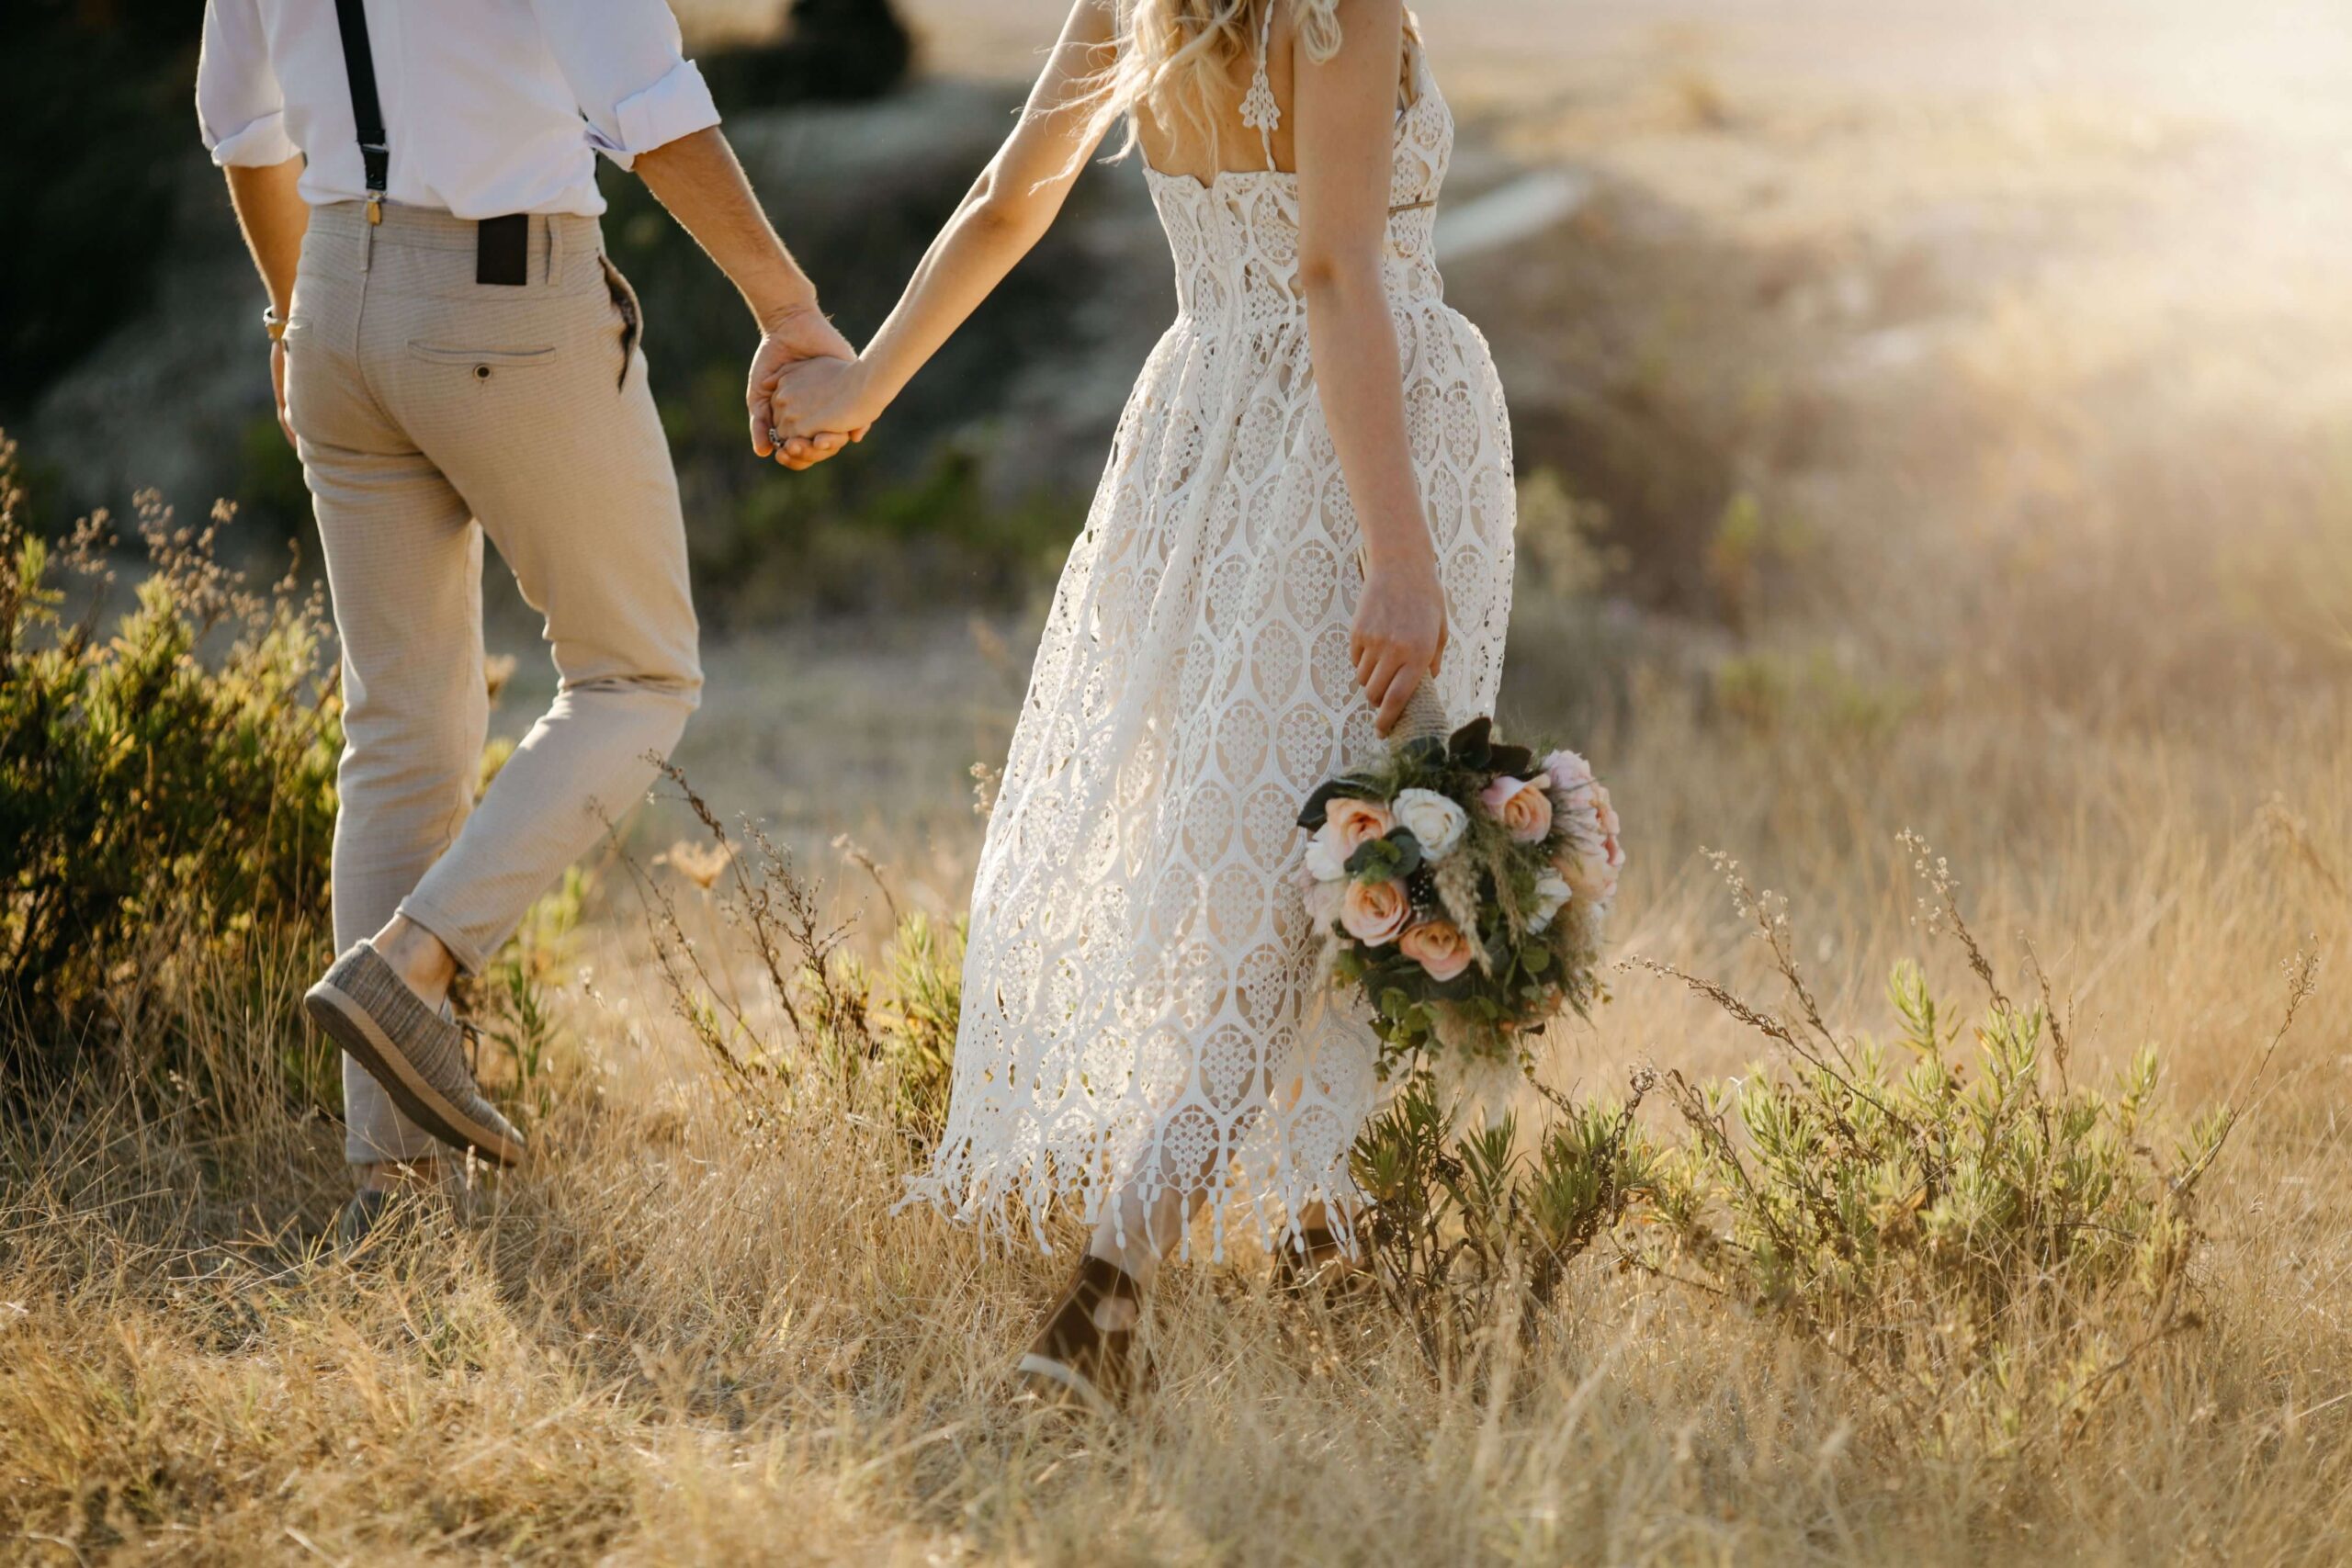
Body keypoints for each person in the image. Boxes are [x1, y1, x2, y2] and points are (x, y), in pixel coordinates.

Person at [768, 0, 1517, 1409]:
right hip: (1352, 454)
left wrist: (868, 382)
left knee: (1294, 852)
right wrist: (1400, 554)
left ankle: (1320, 1231)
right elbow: (1337, 269)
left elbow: (1007, 201)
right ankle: (1108, 1298)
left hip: (1202, 435)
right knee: (1332, 863)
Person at [195, 0, 853, 1243]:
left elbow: (239, 122)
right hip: (507, 291)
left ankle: (390, 1205)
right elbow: (651, 105)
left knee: (399, 732)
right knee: (637, 679)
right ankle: (411, 967)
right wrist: (789, 307)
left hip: (331, 291)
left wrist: (300, 314)